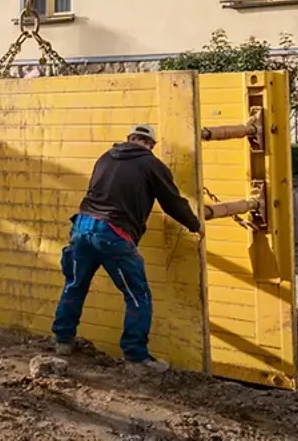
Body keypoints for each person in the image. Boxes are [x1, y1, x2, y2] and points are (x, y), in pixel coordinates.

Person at [50, 124, 201, 374]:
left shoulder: (105, 158)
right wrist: (195, 225)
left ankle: (62, 341)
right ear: (150, 145)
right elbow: (172, 202)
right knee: (137, 294)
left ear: (129, 139)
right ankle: (136, 357)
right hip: (112, 233)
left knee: (75, 285)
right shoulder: (151, 164)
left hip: (82, 227)